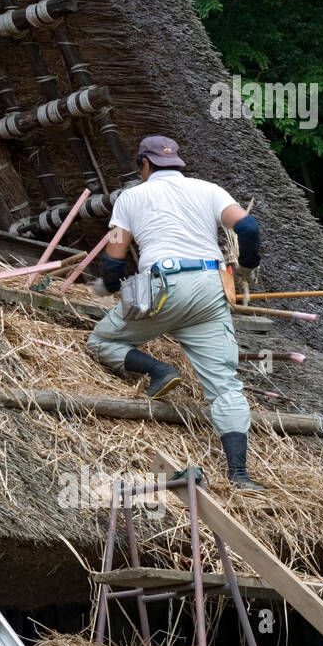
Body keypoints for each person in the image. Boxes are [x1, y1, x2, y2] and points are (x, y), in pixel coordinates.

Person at [85, 135, 266, 491]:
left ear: (144, 165)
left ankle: (159, 370)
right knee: (226, 386)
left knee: (101, 339)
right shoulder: (210, 190)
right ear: (178, 164)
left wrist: (107, 284)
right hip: (211, 289)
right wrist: (246, 264)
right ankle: (240, 475)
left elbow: (115, 254)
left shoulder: (131, 197)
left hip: (165, 287)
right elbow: (249, 227)